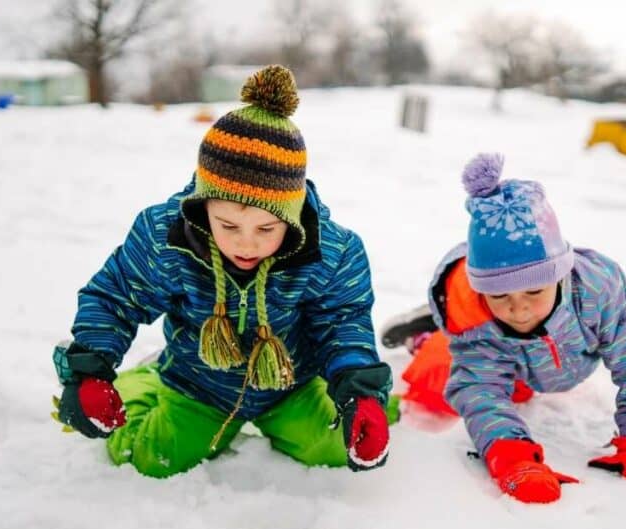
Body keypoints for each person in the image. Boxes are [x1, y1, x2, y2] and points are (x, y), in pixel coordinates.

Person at [51, 65, 396, 478]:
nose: (246, 244)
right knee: (152, 458)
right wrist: (89, 372)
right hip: (198, 385)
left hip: (292, 385)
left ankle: (381, 403)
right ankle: (144, 378)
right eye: (228, 226)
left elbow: (342, 323)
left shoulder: (332, 253)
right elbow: (116, 298)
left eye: (266, 229)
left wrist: (361, 394)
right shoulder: (167, 239)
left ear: (292, 218)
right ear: (203, 208)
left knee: (334, 448)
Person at [386, 152, 626, 503]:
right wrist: (510, 454)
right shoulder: (478, 323)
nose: (518, 308)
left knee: (513, 383)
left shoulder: (600, 291)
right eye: (500, 294)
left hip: (554, 354)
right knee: (440, 385)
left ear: (560, 273)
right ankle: (427, 336)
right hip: (507, 355)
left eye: (534, 291)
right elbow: (482, 393)